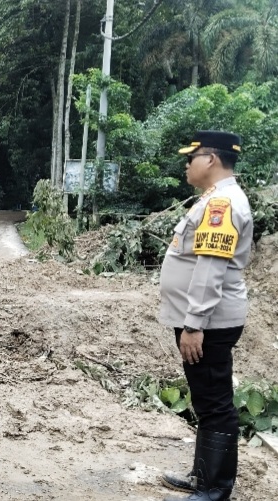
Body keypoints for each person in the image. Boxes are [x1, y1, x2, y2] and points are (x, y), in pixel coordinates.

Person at [158, 131, 252, 501]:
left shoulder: (223, 204)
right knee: (206, 400)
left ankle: (213, 491)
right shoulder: (215, 199)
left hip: (208, 323)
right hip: (204, 319)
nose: (187, 164)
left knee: (214, 403)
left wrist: (194, 323)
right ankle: (203, 477)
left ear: (210, 160)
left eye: (191, 157)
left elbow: (210, 268)